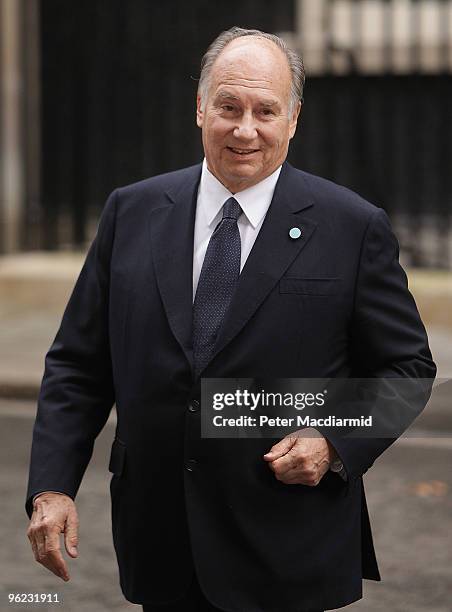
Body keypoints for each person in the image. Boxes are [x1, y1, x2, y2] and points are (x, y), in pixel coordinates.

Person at [26, 27, 436, 612]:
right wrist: (51, 486)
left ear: (293, 119)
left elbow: (408, 367)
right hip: (162, 544)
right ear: (200, 109)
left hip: (288, 545)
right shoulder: (132, 212)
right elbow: (78, 365)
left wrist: (335, 441)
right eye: (228, 107)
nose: (245, 129)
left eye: (266, 110)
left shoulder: (351, 226)